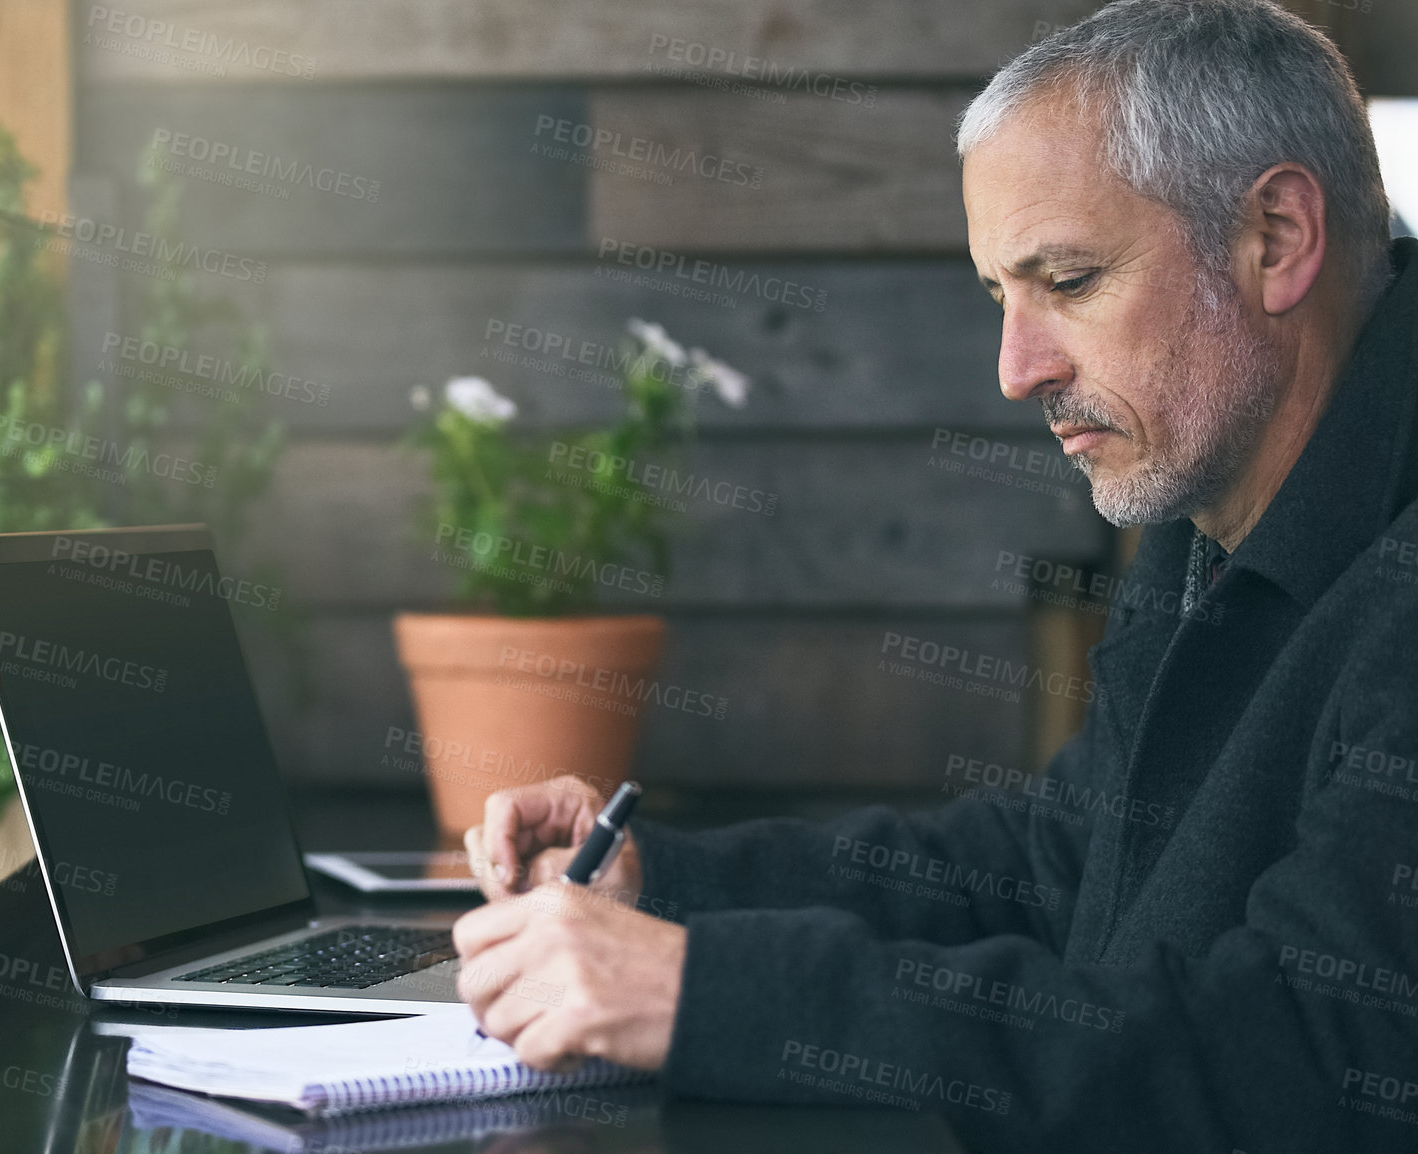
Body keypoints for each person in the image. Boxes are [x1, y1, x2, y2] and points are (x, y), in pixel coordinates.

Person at [450, 1, 1418, 1149]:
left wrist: (712, 995)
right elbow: (1056, 868)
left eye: (1067, 279)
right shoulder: (1215, 510)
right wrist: (666, 888)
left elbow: (1317, 1056)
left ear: (1274, 236)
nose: (1015, 370)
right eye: (998, 295)